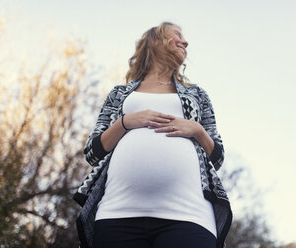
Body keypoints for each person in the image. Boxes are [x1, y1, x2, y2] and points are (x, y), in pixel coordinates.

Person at [73, 21, 233, 248]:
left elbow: (217, 158)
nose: (185, 41)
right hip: (118, 212)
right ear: (155, 40)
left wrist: (197, 130)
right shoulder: (120, 94)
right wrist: (126, 122)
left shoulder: (197, 95)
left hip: (188, 214)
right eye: (176, 34)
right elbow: (93, 152)